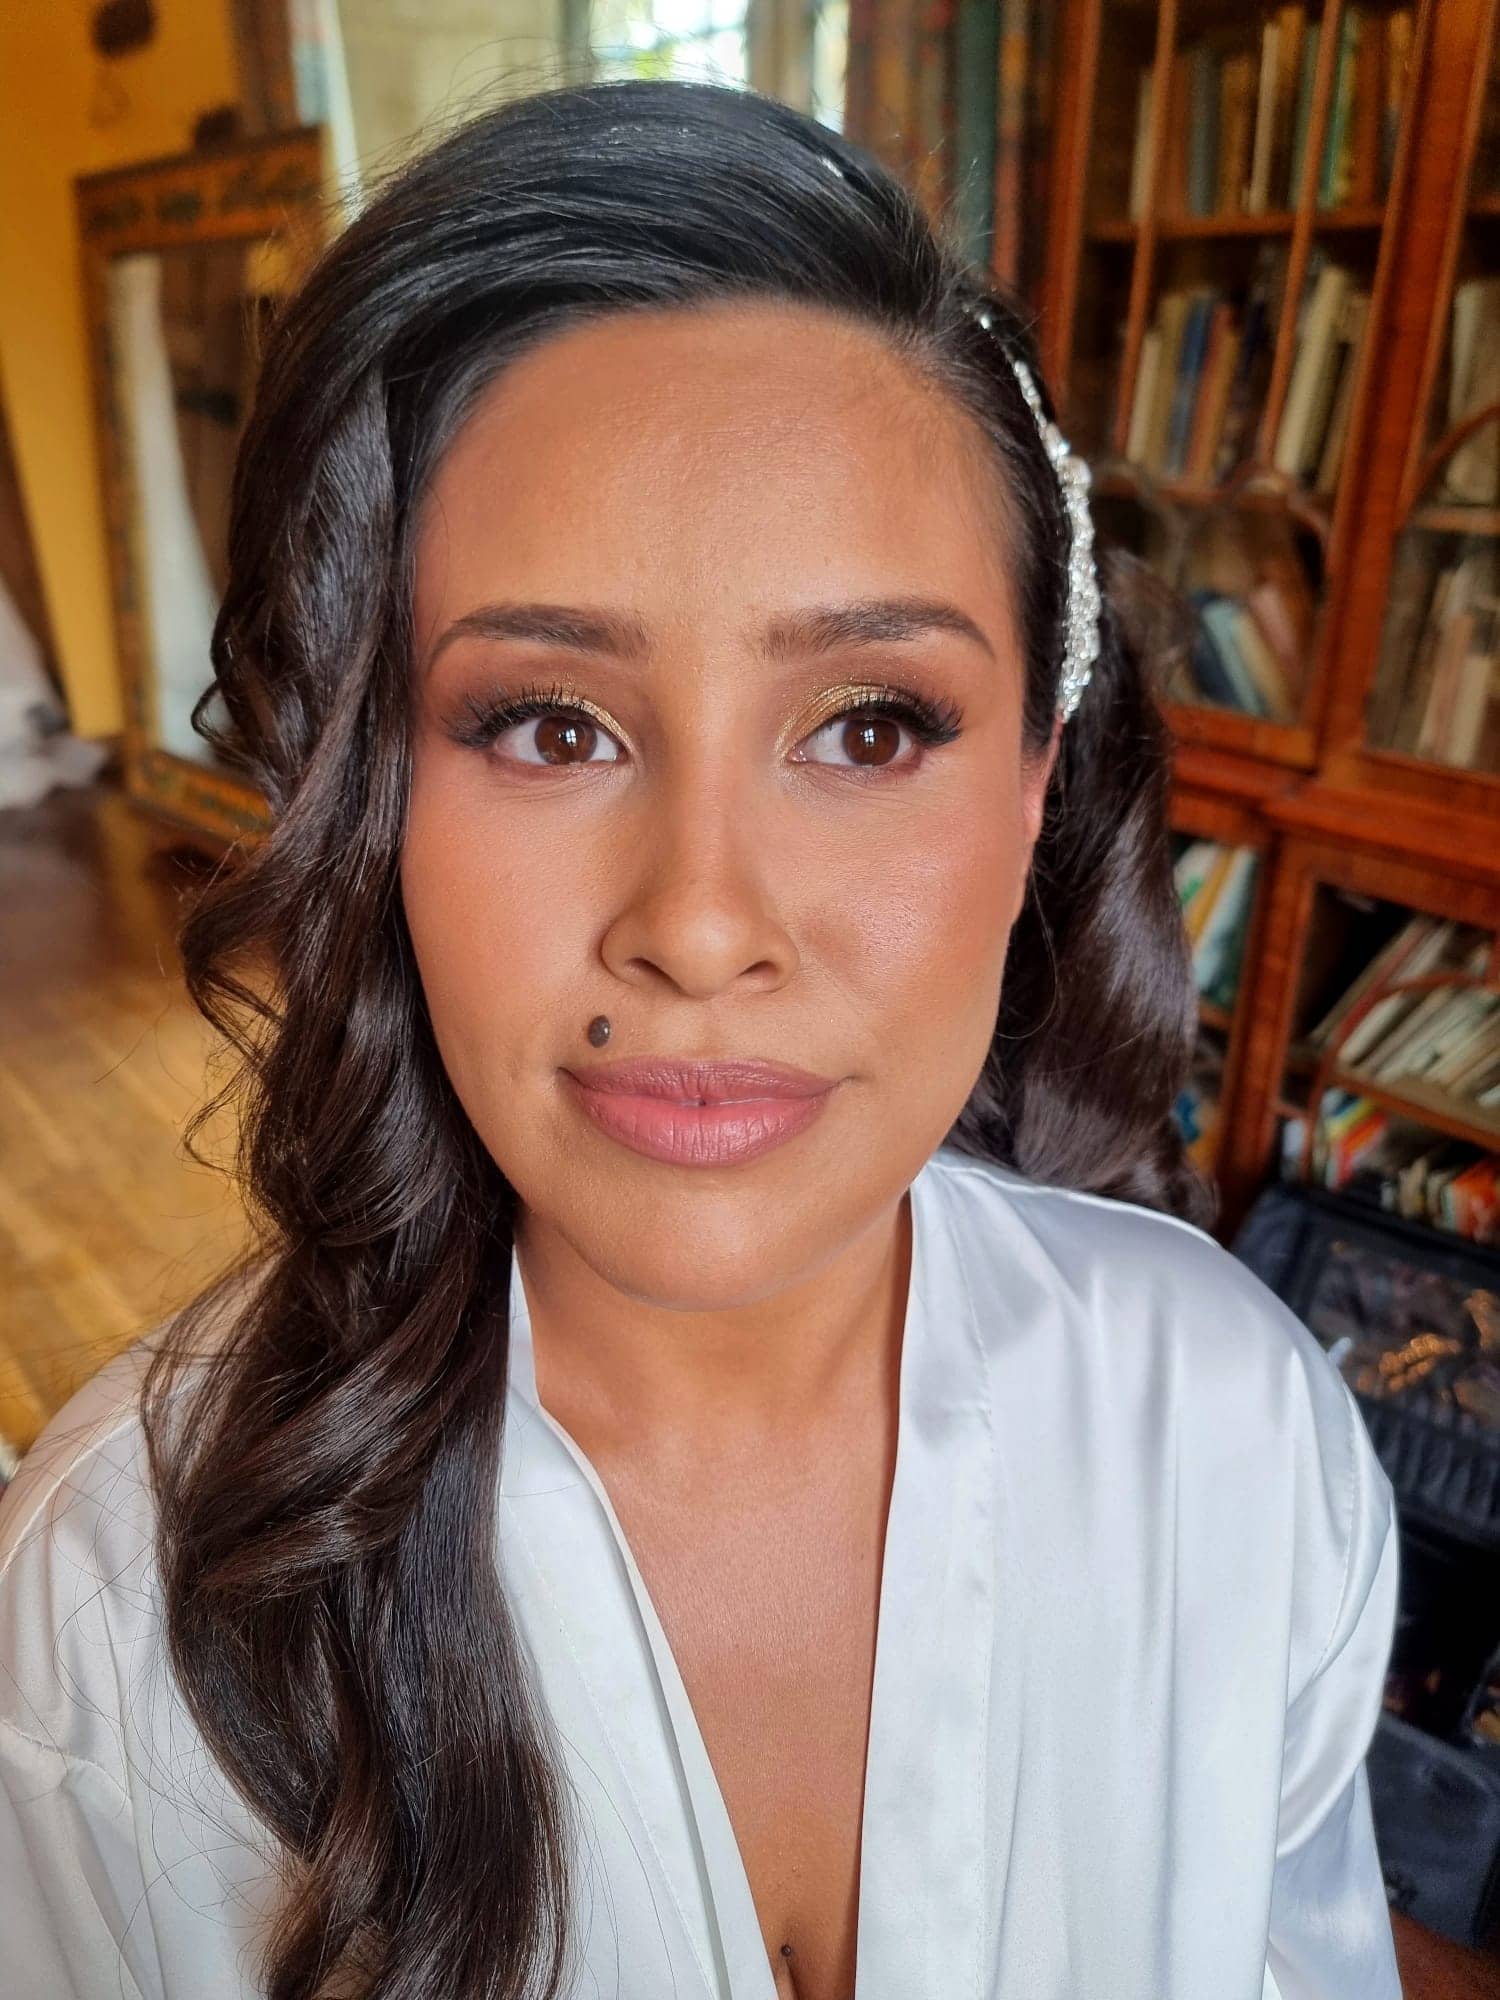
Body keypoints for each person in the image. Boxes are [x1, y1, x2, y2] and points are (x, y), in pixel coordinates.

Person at [0, 77, 1401, 2000]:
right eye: (550, 725)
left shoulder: (1238, 1435)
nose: (704, 926)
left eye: (871, 725)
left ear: (1026, 802)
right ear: (376, 796)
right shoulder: (115, 1620)